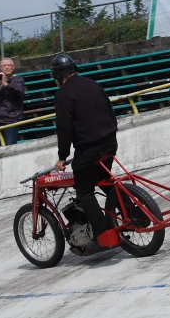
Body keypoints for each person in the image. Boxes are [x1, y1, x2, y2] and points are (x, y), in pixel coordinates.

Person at [51, 53, 120, 251]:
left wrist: (62, 157)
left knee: (85, 193)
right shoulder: (93, 84)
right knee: (104, 180)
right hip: (110, 142)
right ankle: (132, 212)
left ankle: (102, 236)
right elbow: (109, 110)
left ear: (58, 74)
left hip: (89, 150)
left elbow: (64, 129)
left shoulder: (63, 94)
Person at [0, 57, 26, 149]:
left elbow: (18, 94)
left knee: (10, 150)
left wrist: (6, 84)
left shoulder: (18, 80)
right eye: (4, 65)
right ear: (0, 68)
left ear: (13, 67)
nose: (6, 67)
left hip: (10, 120)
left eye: (9, 65)